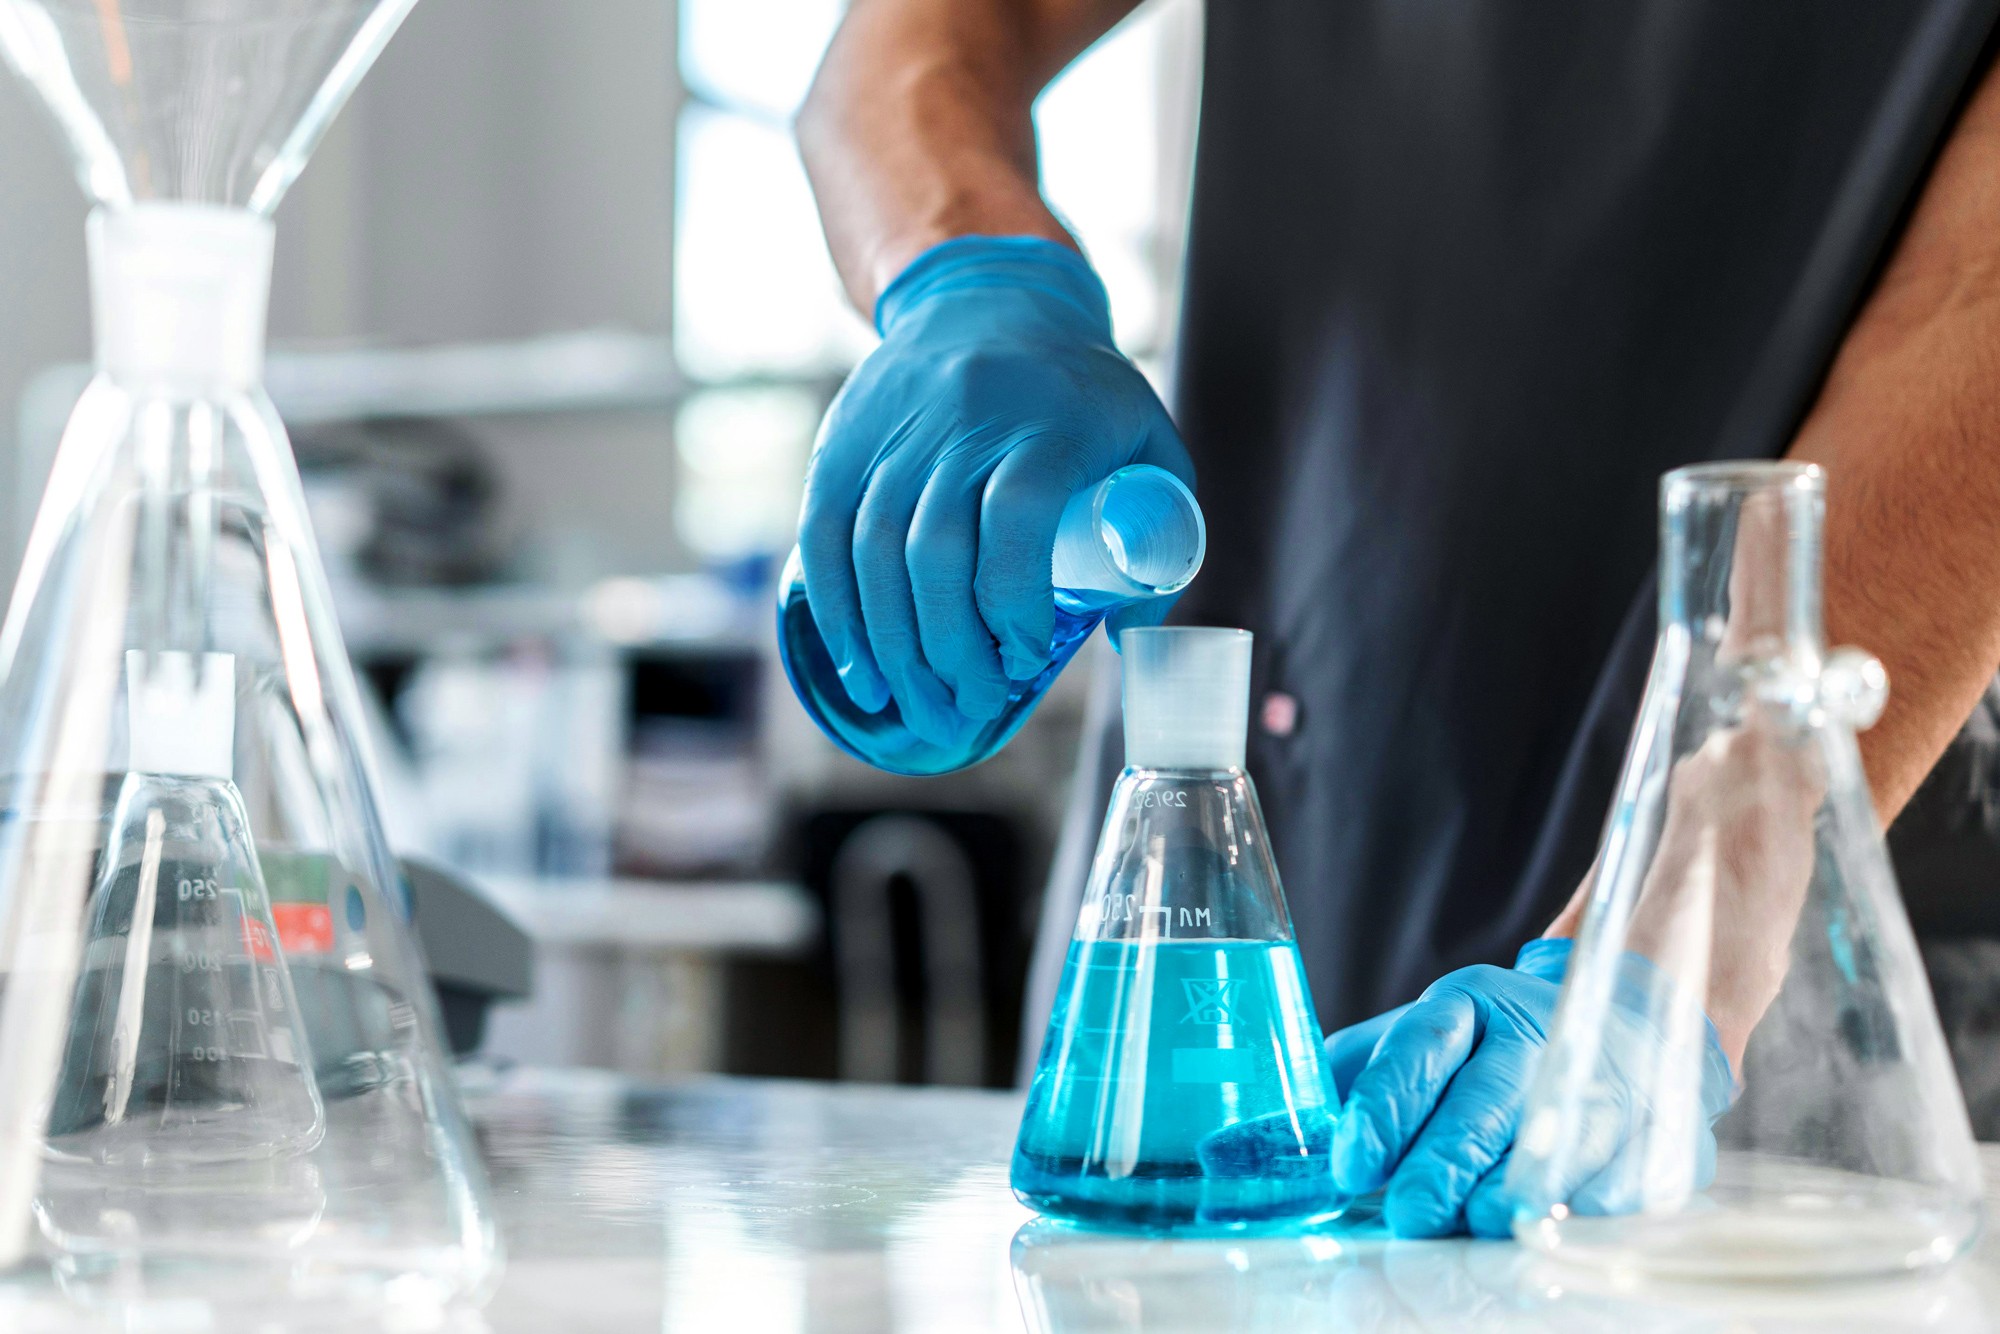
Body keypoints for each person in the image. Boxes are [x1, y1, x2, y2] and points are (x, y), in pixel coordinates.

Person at [793, 0, 2000, 1236]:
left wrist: (1677, 940)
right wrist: (966, 273)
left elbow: (1976, 298)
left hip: (1802, 900)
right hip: (1283, 775)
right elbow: (908, 45)